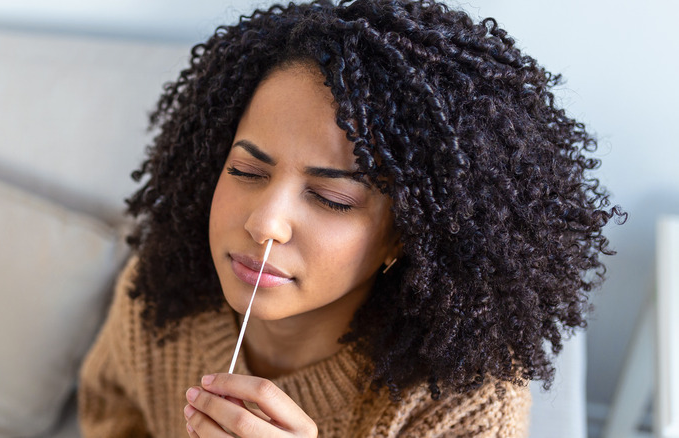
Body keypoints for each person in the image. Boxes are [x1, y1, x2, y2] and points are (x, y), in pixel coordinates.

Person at [77, 0, 625, 436]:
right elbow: (110, 417)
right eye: (246, 170)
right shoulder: (157, 298)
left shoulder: (464, 405)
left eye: (333, 198)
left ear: (405, 237)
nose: (266, 223)